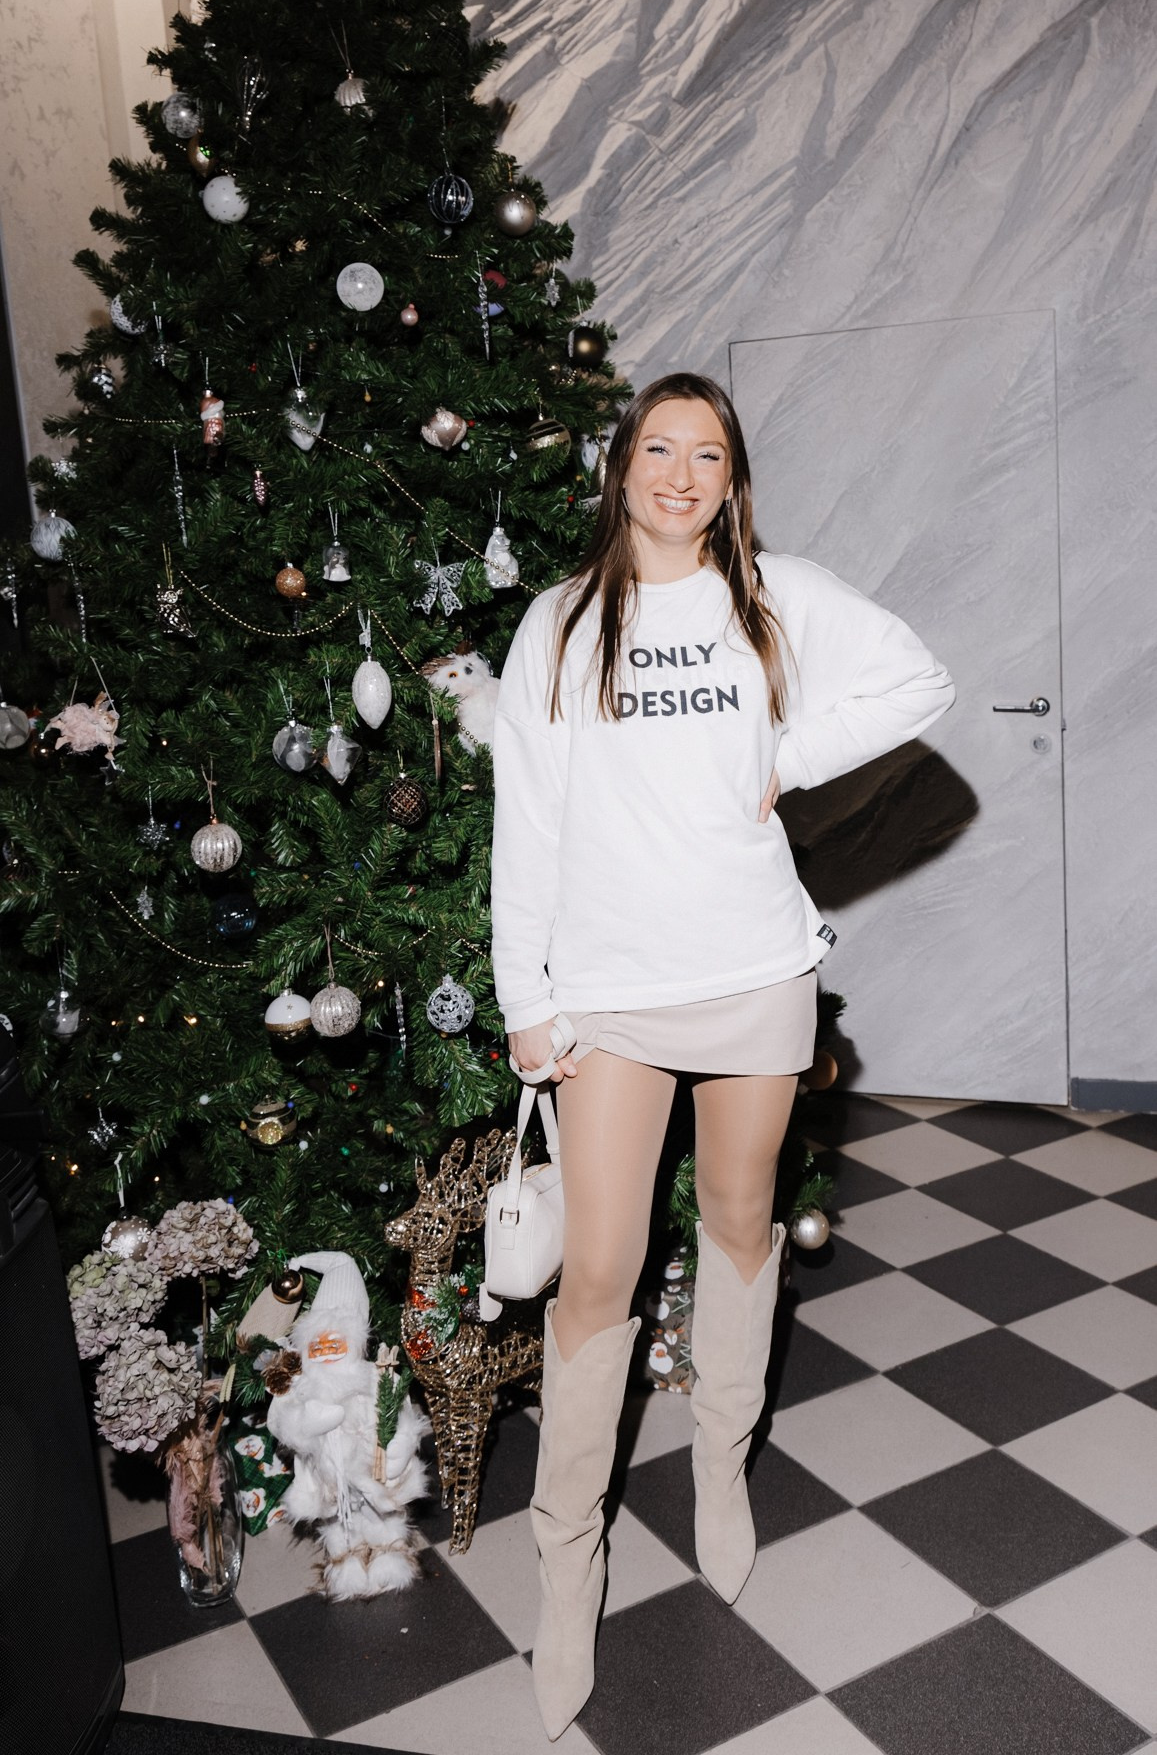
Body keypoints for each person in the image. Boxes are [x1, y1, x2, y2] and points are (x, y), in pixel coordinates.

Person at [490, 372, 955, 1740]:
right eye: (658, 448)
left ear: (731, 481)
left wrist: (790, 754)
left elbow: (919, 679)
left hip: (755, 973)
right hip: (612, 996)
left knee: (743, 1222)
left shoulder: (771, 598)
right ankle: (567, 1560)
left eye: (707, 455)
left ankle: (719, 1464)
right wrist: (526, 997)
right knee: (599, 1269)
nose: (679, 474)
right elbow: (529, 822)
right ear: (621, 466)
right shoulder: (558, 623)